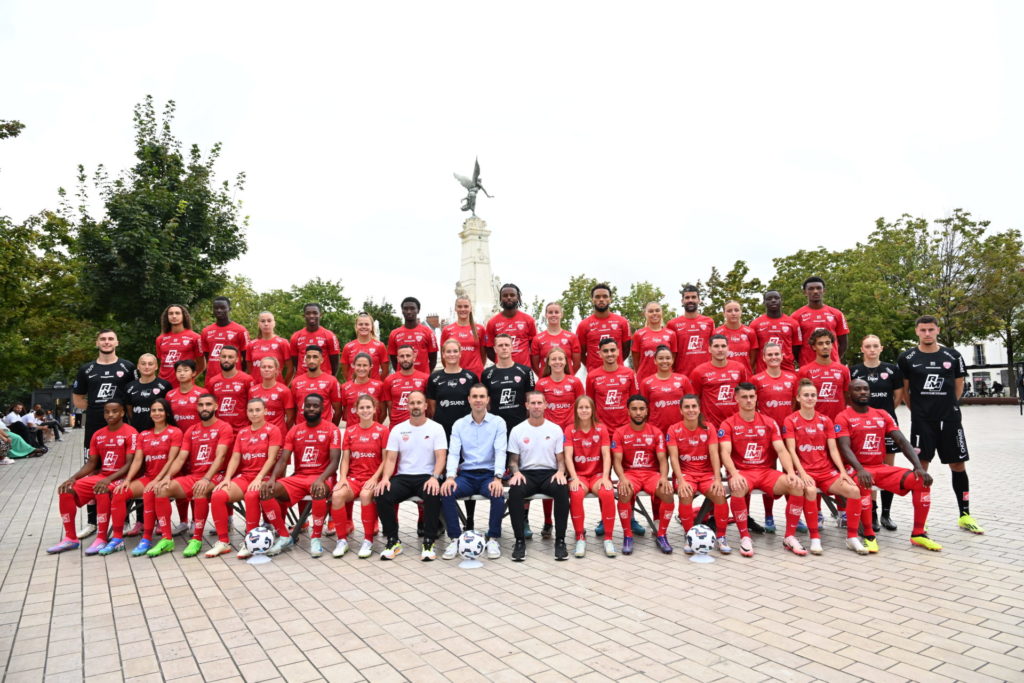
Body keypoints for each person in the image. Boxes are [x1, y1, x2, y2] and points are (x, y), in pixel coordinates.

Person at [897, 315, 983, 534]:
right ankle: (921, 520)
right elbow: (905, 390)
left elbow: (959, 384)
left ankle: (965, 515)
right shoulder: (907, 357)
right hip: (922, 421)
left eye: (931, 329)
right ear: (916, 331)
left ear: (938, 330)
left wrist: (949, 406)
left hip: (950, 419)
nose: (927, 333)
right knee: (921, 466)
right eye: (923, 330)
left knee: (958, 465)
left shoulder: (952, 355)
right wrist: (916, 410)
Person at [836, 379, 943, 552]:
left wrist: (918, 467)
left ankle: (918, 534)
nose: (863, 392)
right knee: (864, 483)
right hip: (857, 469)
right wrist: (860, 469)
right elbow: (844, 447)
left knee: (920, 481)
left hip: (880, 467)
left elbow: (901, 441)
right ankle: (869, 535)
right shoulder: (843, 416)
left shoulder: (882, 414)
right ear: (849, 394)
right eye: (857, 389)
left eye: (866, 389)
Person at [717, 383, 807, 557]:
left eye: (752, 396)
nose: (749, 400)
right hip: (743, 472)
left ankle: (789, 536)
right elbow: (724, 452)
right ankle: (744, 536)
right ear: (736, 399)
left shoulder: (768, 422)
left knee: (796, 485)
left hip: (766, 472)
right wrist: (734, 474)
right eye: (744, 397)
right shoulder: (728, 423)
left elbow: (781, 449)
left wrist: (789, 472)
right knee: (737, 486)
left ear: (756, 397)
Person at [783, 379, 865, 555]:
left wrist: (842, 472)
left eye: (813, 395)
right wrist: (802, 473)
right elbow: (791, 451)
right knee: (811, 492)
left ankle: (852, 537)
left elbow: (833, 449)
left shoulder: (825, 420)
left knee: (854, 491)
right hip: (805, 470)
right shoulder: (791, 420)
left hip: (826, 471)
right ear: (798, 398)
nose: (810, 398)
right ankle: (815, 538)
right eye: (806, 395)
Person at [47, 400, 139, 555]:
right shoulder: (98, 434)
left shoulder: (131, 433)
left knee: (101, 489)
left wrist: (108, 479)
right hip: (104, 476)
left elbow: (131, 463)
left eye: (115, 411)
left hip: (123, 477)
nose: (110, 415)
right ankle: (70, 538)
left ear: (122, 413)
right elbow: (92, 462)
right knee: (66, 490)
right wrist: (73, 478)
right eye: (107, 412)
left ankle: (102, 537)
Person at [72, 329, 137, 538]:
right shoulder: (86, 369)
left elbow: (131, 398)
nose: (106, 342)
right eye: (102, 339)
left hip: (120, 431)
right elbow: (78, 398)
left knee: (120, 475)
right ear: (96, 342)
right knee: (93, 473)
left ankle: (124, 520)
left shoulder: (127, 367)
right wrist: (97, 410)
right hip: (94, 430)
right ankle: (92, 522)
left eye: (110, 339)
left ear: (117, 342)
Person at [150, 394, 233, 557]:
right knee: (162, 489)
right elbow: (181, 458)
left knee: (199, 490)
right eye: (201, 405)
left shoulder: (224, 427)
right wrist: (167, 476)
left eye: (208, 405)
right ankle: (167, 539)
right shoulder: (191, 430)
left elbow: (220, 457)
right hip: (195, 475)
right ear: (197, 407)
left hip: (217, 475)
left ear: (216, 407)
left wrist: (206, 478)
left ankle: (197, 539)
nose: (204, 408)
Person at [263, 393, 343, 557]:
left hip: (323, 476)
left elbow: (335, 461)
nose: (311, 409)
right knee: (266, 491)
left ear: (322, 408)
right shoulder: (295, 430)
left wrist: (321, 479)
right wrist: (272, 479)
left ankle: (316, 538)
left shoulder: (332, 429)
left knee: (318, 490)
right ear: (302, 408)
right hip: (299, 477)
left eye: (315, 406)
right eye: (308, 406)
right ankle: (285, 536)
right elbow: (283, 460)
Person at [206, 397, 284, 558]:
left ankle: (250, 541)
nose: (254, 414)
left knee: (251, 495)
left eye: (258, 410)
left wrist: (259, 477)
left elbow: (272, 458)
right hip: (245, 476)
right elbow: (235, 458)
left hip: (265, 476)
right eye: (250, 410)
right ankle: (223, 542)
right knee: (218, 495)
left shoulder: (273, 430)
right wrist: (227, 478)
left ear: (265, 411)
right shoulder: (242, 432)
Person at [374, 392, 447, 560]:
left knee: (433, 493)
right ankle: (393, 541)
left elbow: (441, 456)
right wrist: (385, 478)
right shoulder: (398, 429)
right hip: (403, 477)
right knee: (382, 494)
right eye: (412, 403)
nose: (415, 406)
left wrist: (435, 477)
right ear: (407, 406)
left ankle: (429, 541)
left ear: (425, 406)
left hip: (427, 476)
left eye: (419, 403)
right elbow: (391, 458)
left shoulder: (436, 428)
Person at [440, 384, 507, 560]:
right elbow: (453, 453)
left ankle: (492, 538)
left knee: (498, 494)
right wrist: (450, 477)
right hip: (467, 476)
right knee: (446, 492)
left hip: (489, 474)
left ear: (487, 400)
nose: (478, 400)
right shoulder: (459, 424)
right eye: (475, 396)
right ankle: (455, 539)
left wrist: (498, 478)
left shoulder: (498, 423)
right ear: (469, 399)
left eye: (482, 396)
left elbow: (501, 451)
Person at [850, 334, 905, 532]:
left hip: (886, 425)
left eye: (875, 346)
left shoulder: (891, 369)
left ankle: (886, 514)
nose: (872, 349)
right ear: (862, 349)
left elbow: (898, 396)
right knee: (869, 470)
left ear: (881, 348)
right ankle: (871, 513)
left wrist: (883, 415)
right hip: (863, 427)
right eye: (868, 346)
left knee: (888, 470)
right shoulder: (855, 370)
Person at [506, 392, 570, 562]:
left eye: (539, 403)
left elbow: (561, 459)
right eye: (532, 403)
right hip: (527, 474)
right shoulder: (517, 430)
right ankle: (519, 541)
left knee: (562, 489)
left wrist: (560, 471)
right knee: (515, 492)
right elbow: (513, 460)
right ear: (526, 405)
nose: (536, 406)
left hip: (550, 473)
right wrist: (516, 472)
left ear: (545, 405)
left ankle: (560, 541)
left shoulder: (555, 429)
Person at [114, 398, 182, 557]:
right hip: (149, 477)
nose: (157, 413)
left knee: (150, 492)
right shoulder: (144, 434)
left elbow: (172, 460)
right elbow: (137, 460)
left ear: (166, 413)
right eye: (153, 410)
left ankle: (148, 538)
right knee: (119, 492)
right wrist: (128, 480)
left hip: (169, 477)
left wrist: (157, 479)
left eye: (160, 410)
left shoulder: (175, 432)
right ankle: (116, 538)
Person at [665, 395, 731, 554]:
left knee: (720, 494)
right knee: (685, 494)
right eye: (686, 407)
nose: (691, 410)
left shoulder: (709, 428)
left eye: (694, 406)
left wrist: (717, 479)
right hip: (686, 474)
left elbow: (714, 454)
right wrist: (680, 480)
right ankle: (689, 536)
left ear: (699, 409)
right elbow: (673, 458)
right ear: (680, 410)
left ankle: (721, 536)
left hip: (707, 474)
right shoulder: (674, 429)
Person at [611, 395, 675, 554]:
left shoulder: (656, 432)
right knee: (624, 491)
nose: (638, 412)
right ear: (628, 411)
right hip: (630, 474)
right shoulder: (620, 432)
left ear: (647, 411)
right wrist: (623, 479)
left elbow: (662, 459)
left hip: (651, 474)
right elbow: (616, 461)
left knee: (667, 492)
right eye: (634, 409)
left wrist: (663, 477)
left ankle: (661, 534)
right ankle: (627, 536)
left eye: (641, 409)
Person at [330, 394, 388, 559]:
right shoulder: (349, 431)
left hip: (372, 478)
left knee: (365, 495)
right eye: (362, 407)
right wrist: (342, 479)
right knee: (337, 496)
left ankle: (368, 540)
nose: (365, 410)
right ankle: (342, 540)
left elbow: (386, 460)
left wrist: (375, 478)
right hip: (354, 479)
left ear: (375, 409)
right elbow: (345, 459)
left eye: (368, 407)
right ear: (356, 410)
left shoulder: (382, 430)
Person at [749, 342, 799, 533]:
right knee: (767, 475)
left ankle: (795, 516)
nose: (773, 357)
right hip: (766, 434)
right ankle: (769, 516)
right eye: (769, 354)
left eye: (776, 354)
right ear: (763, 357)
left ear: (783, 355)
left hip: (788, 434)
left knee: (790, 474)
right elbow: (753, 406)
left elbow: (796, 404)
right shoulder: (757, 379)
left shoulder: (792, 378)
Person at [562, 395, 617, 557]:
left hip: (597, 475)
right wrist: (574, 477)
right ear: (576, 410)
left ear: (593, 410)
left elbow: (607, 455)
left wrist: (606, 477)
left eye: (587, 407)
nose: (584, 410)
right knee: (576, 493)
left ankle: (608, 538)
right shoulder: (570, 429)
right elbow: (567, 456)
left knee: (607, 493)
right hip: (579, 475)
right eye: (581, 407)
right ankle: (580, 536)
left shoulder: (601, 428)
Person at [689, 334, 752, 428]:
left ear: (728, 348)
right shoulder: (699, 371)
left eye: (723, 346)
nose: (720, 349)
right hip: (710, 424)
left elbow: (744, 395)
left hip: (735, 424)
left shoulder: (739, 368)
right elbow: (695, 399)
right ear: (709, 349)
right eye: (716, 346)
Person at [791, 277, 850, 366]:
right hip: (807, 365)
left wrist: (834, 358)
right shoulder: (796, 316)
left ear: (824, 291)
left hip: (832, 365)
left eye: (818, 288)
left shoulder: (836, 314)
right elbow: (794, 346)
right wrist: (802, 361)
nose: (815, 291)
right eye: (811, 289)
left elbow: (843, 343)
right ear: (805, 292)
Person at [426, 340, 478, 438]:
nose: (452, 354)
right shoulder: (434, 378)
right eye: (448, 351)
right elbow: (432, 408)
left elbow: (476, 404)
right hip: (443, 429)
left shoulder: (471, 377)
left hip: (466, 428)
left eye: (455, 351)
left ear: (460, 354)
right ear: (443, 354)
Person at [576, 283, 631, 372]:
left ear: (610, 299)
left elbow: (626, 350)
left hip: (618, 373)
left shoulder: (622, 322)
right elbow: (580, 353)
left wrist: (614, 363)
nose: (601, 299)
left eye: (605, 296)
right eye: (597, 297)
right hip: (594, 374)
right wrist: (591, 367)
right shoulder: (583, 325)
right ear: (592, 299)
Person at [797, 329, 850, 420]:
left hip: (838, 422)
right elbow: (800, 400)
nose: (825, 346)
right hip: (814, 423)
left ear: (832, 345)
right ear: (814, 347)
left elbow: (847, 396)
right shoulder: (804, 371)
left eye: (828, 343)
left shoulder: (843, 370)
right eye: (820, 344)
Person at [639, 345, 694, 433]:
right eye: (661, 358)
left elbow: (692, 405)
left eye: (668, 358)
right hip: (656, 430)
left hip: (680, 430)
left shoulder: (683, 380)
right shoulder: (646, 383)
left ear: (672, 360)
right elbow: (644, 409)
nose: (664, 361)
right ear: (655, 361)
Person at [586, 338, 638, 431]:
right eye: (605, 351)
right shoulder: (592, 376)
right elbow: (590, 404)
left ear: (618, 352)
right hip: (602, 429)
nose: (609, 354)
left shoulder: (629, 373)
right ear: (600, 354)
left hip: (625, 428)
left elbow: (634, 402)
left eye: (612, 350)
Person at [749, 290, 803, 373]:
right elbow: (753, 350)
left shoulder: (793, 323)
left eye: (776, 298)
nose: (773, 300)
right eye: (769, 299)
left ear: (781, 301)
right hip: (763, 370)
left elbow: (796, 348)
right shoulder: (755, 324)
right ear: (764, 302)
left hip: (787, 369)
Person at [668, 285, 716, 376]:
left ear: (699, 300)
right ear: (682, 301)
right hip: (682, 375)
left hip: (706, 374)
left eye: (693, 297)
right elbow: (670, 352)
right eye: (687, 297)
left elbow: (714, 348)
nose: (690, 300)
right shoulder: (672, 324)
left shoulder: (709, 322)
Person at [486, 283, 537, 367]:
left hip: (524, 369)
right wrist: (500, 360)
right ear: (500, 299)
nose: (509, 297)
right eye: (505, 295)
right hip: (501, 370)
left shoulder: (528, 320)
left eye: (512, 295)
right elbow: (488, 348)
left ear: (518, 297)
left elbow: (534, 347)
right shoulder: (492, 322)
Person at [201, 296, 250, 382]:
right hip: (212, 378)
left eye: (223, 308)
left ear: (229, 309)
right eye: (216, 308)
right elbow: (205, 357)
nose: (219, 310)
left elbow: (246, 356)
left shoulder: (240, 330)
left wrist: (241, 373)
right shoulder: (206, 331)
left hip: (234, 378)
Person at [290, 346, 342, 426]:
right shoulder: (296, 382)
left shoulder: (332, 381)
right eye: (308, 357)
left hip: (324, 431)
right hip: (302, 432)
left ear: (321, 360)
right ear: (305, 360)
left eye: (315, 357)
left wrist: (331, 428)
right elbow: (293, 410)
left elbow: (338, 411)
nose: (311, 360)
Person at [535, 347, 585, 430]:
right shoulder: (541, 384)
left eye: (560, 359)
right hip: (549, 428)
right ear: (548, 363)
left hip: (571, 427)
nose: (557, 362)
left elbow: (582, 405)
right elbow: (537, 408)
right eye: (554, 359)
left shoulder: (575, 382)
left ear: (566, 361)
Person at [155, 304, 205, 386]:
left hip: (183, 386)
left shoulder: (195, 337)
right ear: (167, 317)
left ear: (184, 316)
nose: (174, 316)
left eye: (177, 313)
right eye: (170, 313)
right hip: (162, 384)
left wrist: (188, 378)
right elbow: (162, 362)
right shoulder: (160, 339)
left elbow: (201, 365)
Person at [206, 345, 252, 432]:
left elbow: (252, 404)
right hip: (219, 431)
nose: (226, 360)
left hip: (242, 430)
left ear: (237, 359)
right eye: (224, 356)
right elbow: (209, 407)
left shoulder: (247, 380)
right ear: (219, 358)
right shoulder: (212, 381)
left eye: (230, 357)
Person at [388, 297, 438, 375]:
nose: (409, 311)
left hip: (423, 379)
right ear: (402, 311)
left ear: (418, 310)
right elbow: (394, 360)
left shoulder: (428, 332)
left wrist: (424, 375)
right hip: (401, 380)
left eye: (412, 308)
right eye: (405, 309)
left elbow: (433, 359)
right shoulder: (394, 334)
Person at [382, 345, 430, 426]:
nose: (405, 359)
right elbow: (390, 408)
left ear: (414, 357)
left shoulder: (425, 378)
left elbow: (429, 407)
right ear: (397, 359)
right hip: (397, 426)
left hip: (419, 425)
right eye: (402, 356)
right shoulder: (389, 380)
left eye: (408, 356)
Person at [125, 353, 174, 433]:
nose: (146, 367)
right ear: (138, 366)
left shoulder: (165, 385)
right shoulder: (129, 387)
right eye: (143, 364)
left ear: (156, 367)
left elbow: (169, 410)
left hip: (160, 431)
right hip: (138, 431)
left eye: (150, 364)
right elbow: (129, 411)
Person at [530, 301, 581, 377]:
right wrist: (545, 377)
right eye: (550, 312)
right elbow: (535, 366)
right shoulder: (537, 339)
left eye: (556, 312)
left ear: (561, 314)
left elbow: (577, 365)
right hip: (545, 381)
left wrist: (567, 377)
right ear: (546, 315)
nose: (553, 315)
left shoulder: (572, 337)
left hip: (567, 382)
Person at [290, 303, 341, 377]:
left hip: (324, 379)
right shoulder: (295, 337)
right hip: (302, 380)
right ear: (304, 316)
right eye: (308, 313)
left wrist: (331, 378)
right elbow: (295, 362)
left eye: (315, 313)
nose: (311, 316)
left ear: (320, 315)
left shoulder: (330, 336)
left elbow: (335, 361)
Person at [441, 297, 487, 379]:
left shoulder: (480, 329)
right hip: (455, 374)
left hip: (476, 374)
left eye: (466, 306)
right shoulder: (447, 330)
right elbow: (443, 355)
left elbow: (483, 354)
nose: (463, 309)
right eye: (459, 306)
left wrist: (477, 367)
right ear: (455, 308)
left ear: (470, 308)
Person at [631, 301, 677, 381]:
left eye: (657, 310)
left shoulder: (671, 334)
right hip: (644, 379)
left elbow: (672, 359)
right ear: (645, 314)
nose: (654, 313)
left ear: (662, 313)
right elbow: (636, 361)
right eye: (651, 311)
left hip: (665, 379)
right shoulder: (638, 334)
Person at [249, 356, 295, 434]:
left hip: (278, 433)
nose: (266, 369)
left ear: (276, 370)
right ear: (260, 369)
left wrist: (282, 432)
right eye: (263, 367)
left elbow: (290, 417)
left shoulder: (284, 391)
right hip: (258, 434)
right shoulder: (252, 391)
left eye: (270, 367)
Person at [246, 311, 294, 383]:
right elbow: (250, 370)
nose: (266, 324)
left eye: (269, 321)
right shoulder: (251, 345)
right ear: (258, 324)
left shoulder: (283, 343)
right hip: (256, 388)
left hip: (276, 389)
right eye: (263, 321)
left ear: (274, 323)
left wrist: (284, 386)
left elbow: (291, 369)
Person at [341, 312, 390, 381]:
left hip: (374, 389)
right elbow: (345, 371)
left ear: (372, 327)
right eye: (360, 324)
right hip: (354, 388)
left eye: (367, 324)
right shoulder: (348, 347)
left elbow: (385, 371)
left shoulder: (380, 346)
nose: (363, 327)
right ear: (356, 326)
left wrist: (376, 383)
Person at [340, 353, 385, 426]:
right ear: (353, 366)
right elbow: (345, 413)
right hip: (352, 432)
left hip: (373, 432)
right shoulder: (345, 387)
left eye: (365, 365)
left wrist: (375, 427)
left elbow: (383, 412)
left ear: (371, 366)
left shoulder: (379, 386)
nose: (361, 368)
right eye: (358, 365)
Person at [714, 301, 759, 372]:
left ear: (741, 312)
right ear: (724, 314)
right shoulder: (716, 333)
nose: (733, 313)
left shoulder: (750, 332)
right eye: (729, 311)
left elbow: (753, 357)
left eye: (736, 310)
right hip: (724, 375)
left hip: (746, 375)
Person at [167, 360, 205, 432]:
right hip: (176, 435)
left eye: (186, 370)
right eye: (179, 371)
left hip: (197, 434)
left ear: (194, 373)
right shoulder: (170, 395)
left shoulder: (202, 392)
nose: (182, 373)